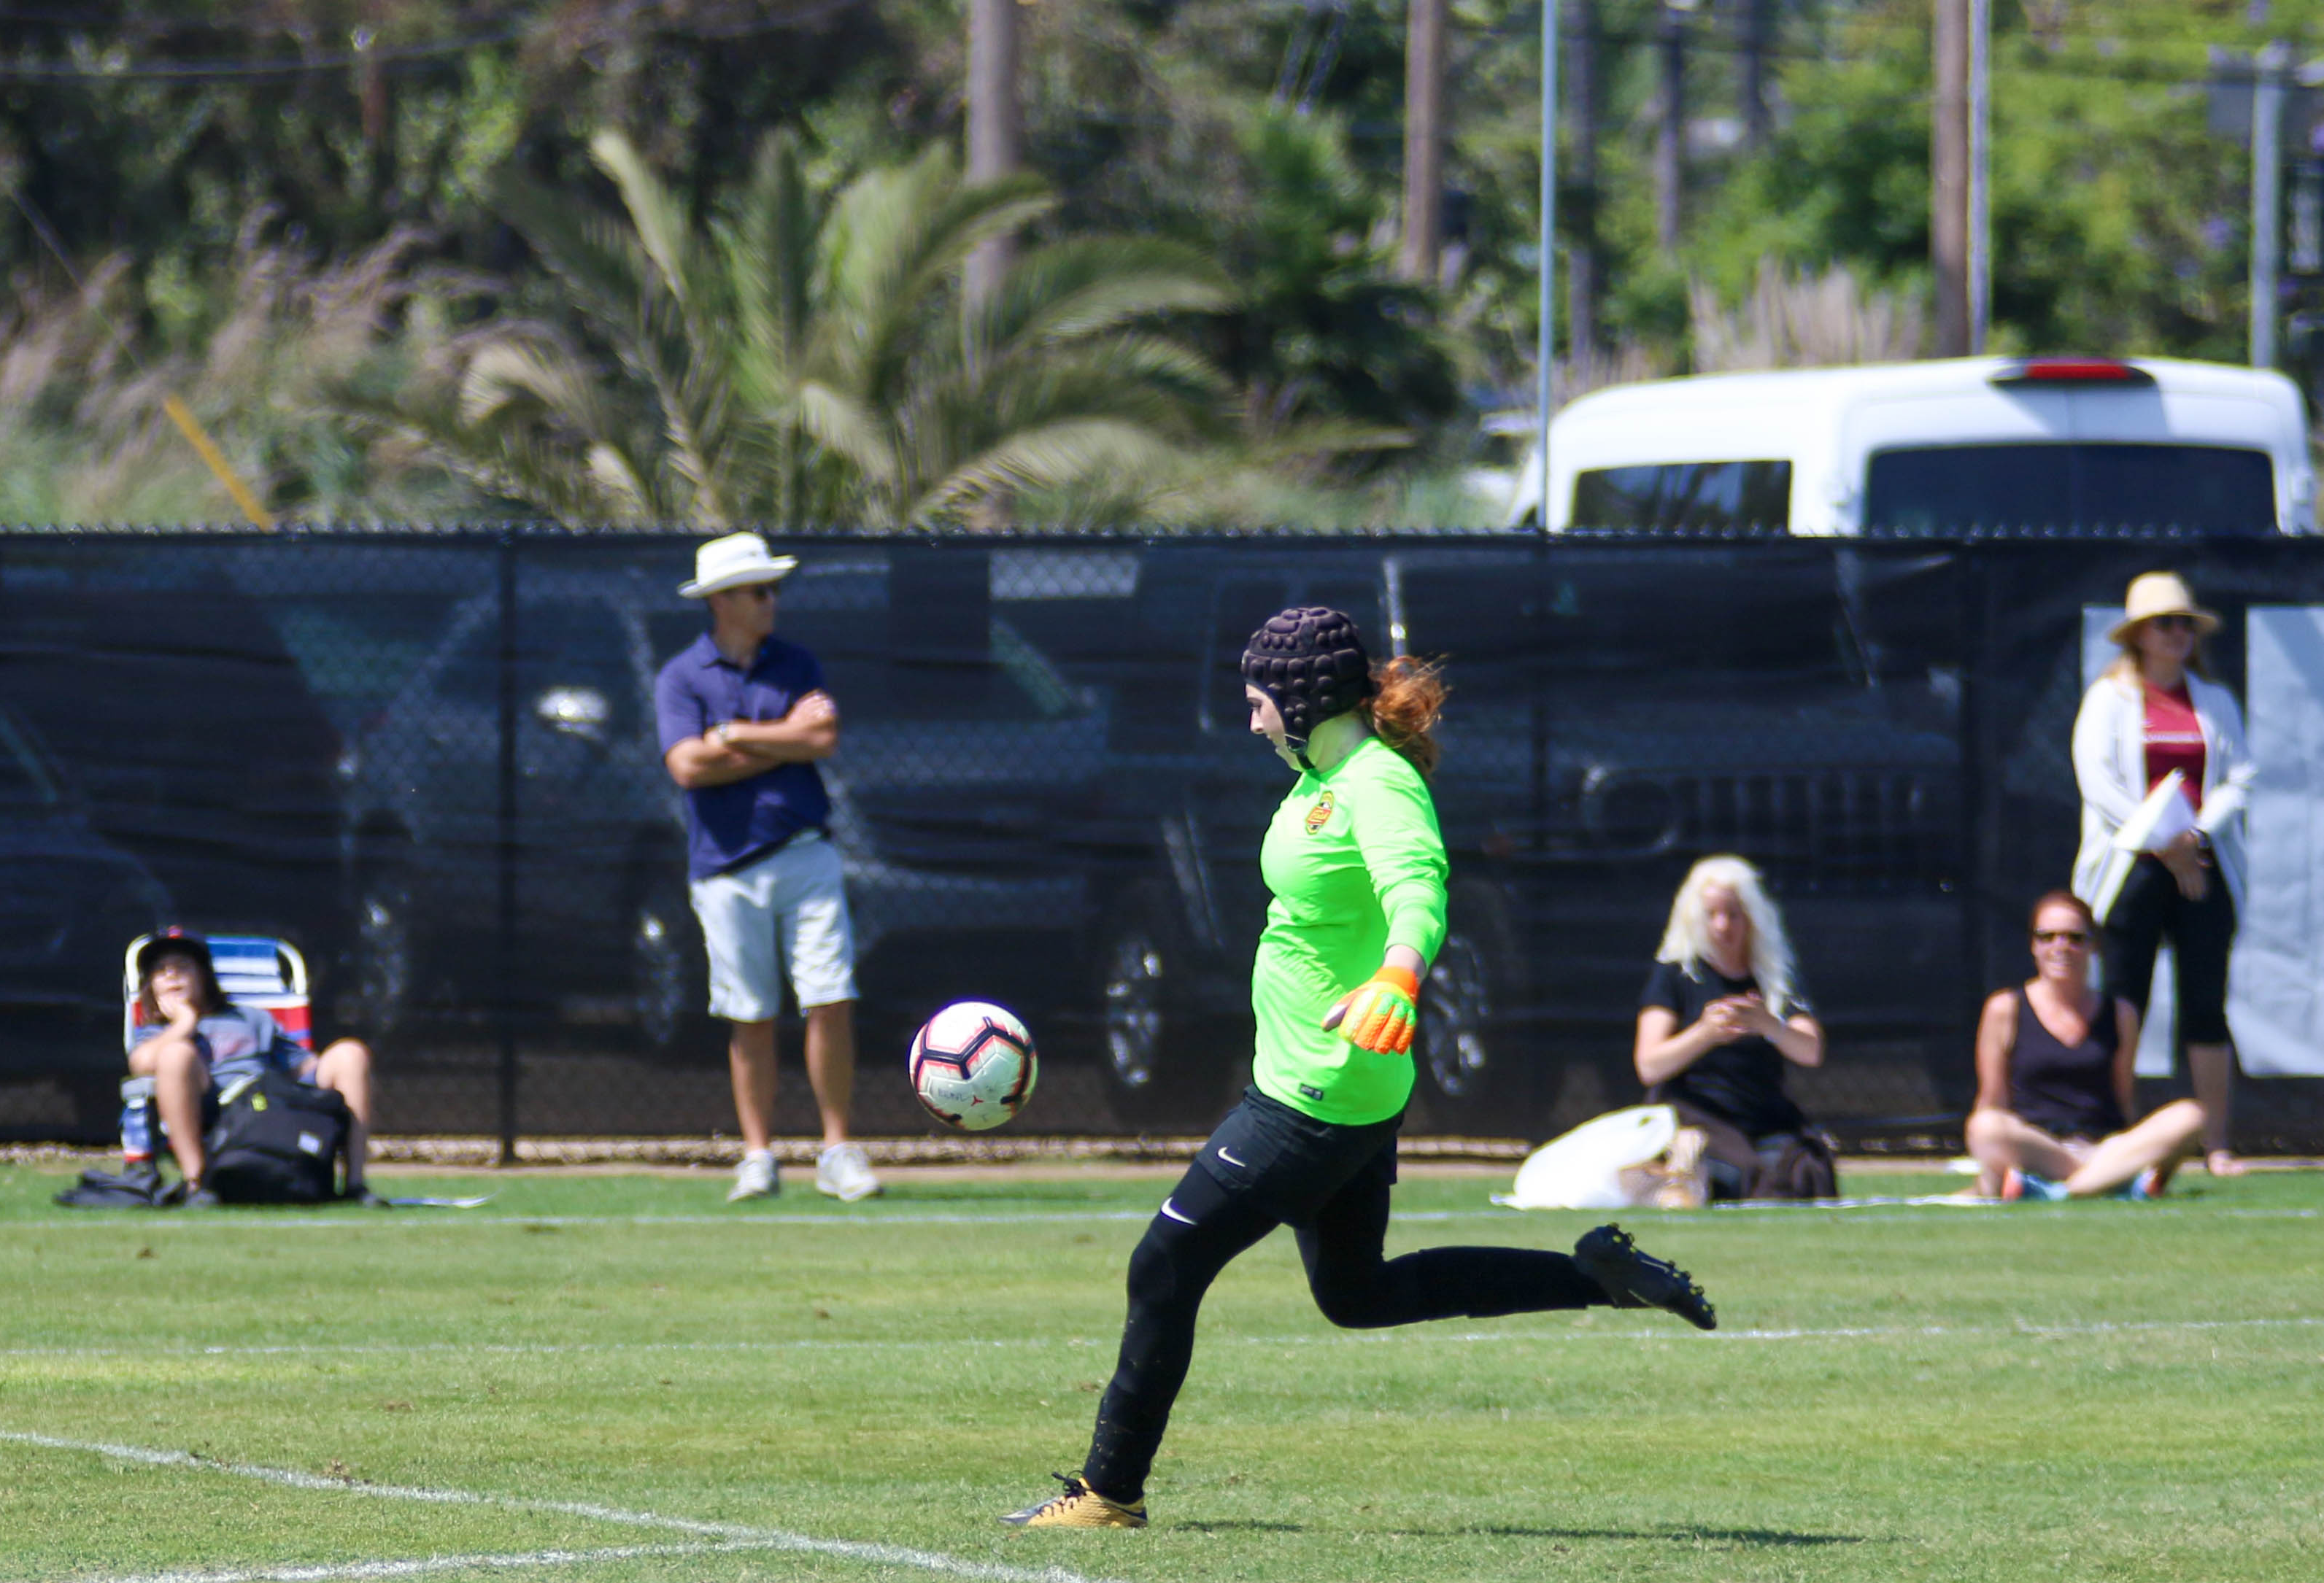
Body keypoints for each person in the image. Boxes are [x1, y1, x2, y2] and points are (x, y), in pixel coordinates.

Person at [1005, 607, 1715, 1532]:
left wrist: (1398, 974)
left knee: (1164, 1264)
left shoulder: (1377, 784)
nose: (1251, 719)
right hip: (1336, 1086)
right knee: (1357, 1294)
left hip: (1317, 1096)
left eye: (1259, 701)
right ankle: (1596, 1274)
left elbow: (1420, 889)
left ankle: (1109, 1491)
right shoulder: (1321, 773)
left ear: (1302, 701)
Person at [653, 532, 879, 1205]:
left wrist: (736, 736)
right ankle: (759, 1157)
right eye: (759, 591)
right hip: (724, 869)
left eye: (773, 588)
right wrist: (783, 742)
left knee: (829, 999)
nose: (771, 600)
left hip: (806, 852)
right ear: (722, 601)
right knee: (749, 1014)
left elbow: (823, 737)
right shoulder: (681, 676)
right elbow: (687, 765)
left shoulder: (796, 662)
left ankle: (837, 1150)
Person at [2073, 571, 2252, 1179]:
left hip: (2203, 869)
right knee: (2125, 1004)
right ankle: (2121, 1137)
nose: (2177, 634)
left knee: (2206, 1004)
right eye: (2164, 624)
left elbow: (2239, 779)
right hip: (2131, 874)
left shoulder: (2216, 700)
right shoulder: (2108, 699)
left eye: (2185, 624)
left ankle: (2217, 1144)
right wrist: (2162, 842)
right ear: (2139, 636)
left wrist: (2193, 839)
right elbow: (2099, 784)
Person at [1966, 891, 2206, 1201]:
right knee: (1984, 1126)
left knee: (2192, 1115)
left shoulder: (2121, 1013)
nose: (2060, 947)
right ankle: (2110, 1182)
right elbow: (1991, 1101)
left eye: (2074, 938)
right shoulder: (2005, 1008)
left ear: (2093, 945)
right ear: (2033, 945)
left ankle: (2063, 1192)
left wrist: (2134, 1148)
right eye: (2047, 937)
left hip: (2104, 1147)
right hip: (2038, 1148)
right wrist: (1990, 1161)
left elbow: (2123, 1102)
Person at [1633, 855, 1834, 1206]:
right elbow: (1649, 1065)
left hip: (1762, 1113)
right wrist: (1705, 1033)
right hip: (1698, 1112)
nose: (1723, 927)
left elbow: (1811, 1050)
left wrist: (1768, 1025)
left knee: (1804, 1171)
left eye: (1734, 915)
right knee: (1735, 1172)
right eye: (1712, 915)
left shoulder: (1774, 975)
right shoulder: (1676, 973)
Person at [126, 931, 377, 1207]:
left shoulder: (250, 1018)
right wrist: (185, 1022)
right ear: (152, 988)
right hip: (214, 1108)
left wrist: (340, 1070)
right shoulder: (158, 1033)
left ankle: (354, 1185)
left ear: (204, 977)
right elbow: (141, 1064)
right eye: (161, 971)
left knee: (350, 1054)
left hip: (267, 1104)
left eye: (183, 967)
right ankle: (197, 1184)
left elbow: (305, 1067)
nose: (171, 974)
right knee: (175, 1055)